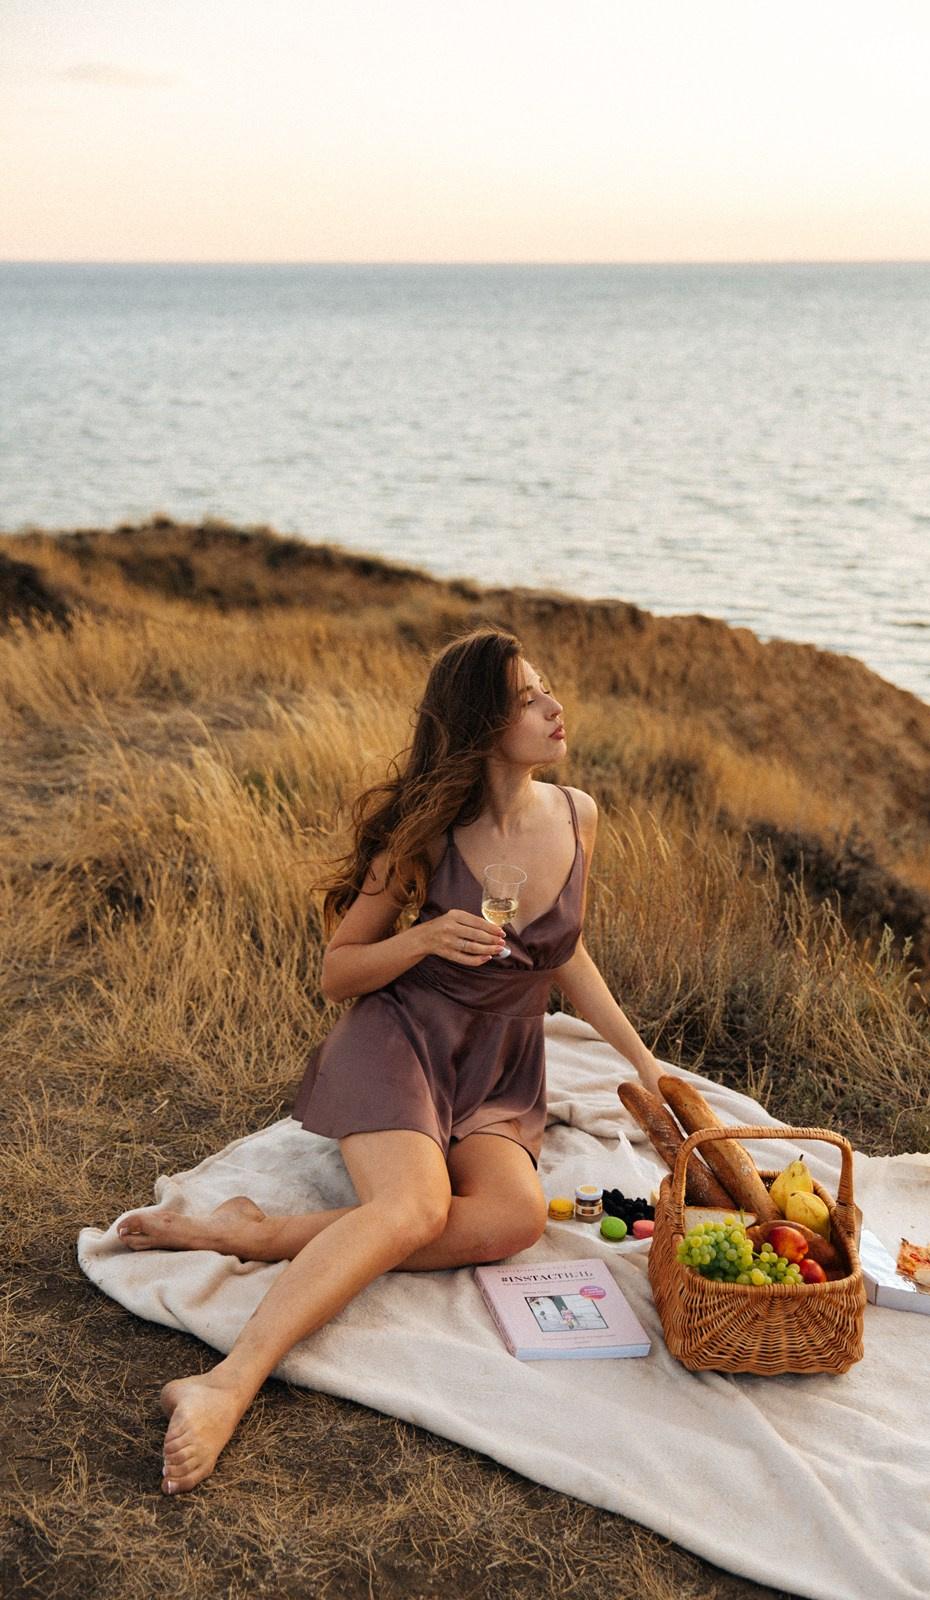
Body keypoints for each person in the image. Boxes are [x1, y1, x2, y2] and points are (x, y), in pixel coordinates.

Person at [117, 627, 665, 1494]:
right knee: (414, 1208)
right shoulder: (423, 833)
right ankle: (225, 1383)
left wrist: (644, 1066)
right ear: (484, 723)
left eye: (549, 690)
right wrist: (423, 938)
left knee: (510, 1221)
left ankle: (251, 1235)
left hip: (499, 1063)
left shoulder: (576, 814)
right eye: (529, 699)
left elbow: (562, 954)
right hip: (401, 1041)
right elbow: (338, 973)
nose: (555, 708)